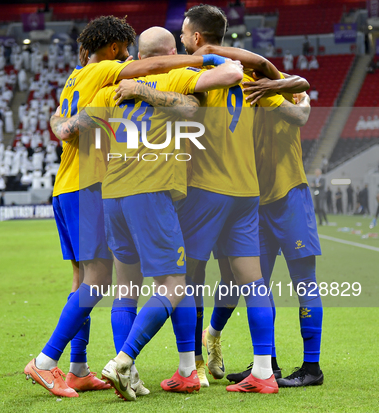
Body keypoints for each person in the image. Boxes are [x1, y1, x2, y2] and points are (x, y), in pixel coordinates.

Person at [25, 15, 227, 398]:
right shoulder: (113, 72)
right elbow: (156, 68)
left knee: (96, 283)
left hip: (79, 186)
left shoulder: (81, 78)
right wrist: (204, 59)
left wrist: (57, 118)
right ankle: (49, 361)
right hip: (97, 185)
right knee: (117, 282)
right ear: (118, 49)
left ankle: (78, 368)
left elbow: (64, 129)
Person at [123, 5, 308, 394]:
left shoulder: (194, 75)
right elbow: (296, 111)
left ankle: (185, 370)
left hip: (206, 190)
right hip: (247, 193)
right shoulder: (251, 80)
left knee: (184, 280)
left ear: (196, 39)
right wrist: (282, 85)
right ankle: (262, 373)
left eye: (185, 35)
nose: (183, 41)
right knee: (253, 282)